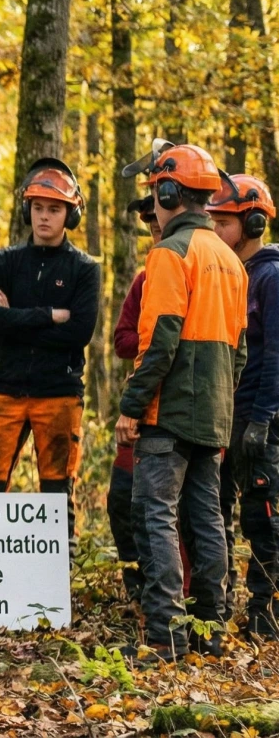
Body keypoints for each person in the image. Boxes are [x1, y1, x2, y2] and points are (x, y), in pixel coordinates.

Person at [116, 142, 246, 661]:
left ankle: (164, 635)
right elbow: (239, 352)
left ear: (169, 191)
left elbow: (160, 339)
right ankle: (210, 630)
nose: (155, 200)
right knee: (206, 519)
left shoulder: (170, 254)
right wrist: (220, 402)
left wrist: (132, 403)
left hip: (168, 412)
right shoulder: (230, 261)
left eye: (156, 192)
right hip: (212, 410)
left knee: (154, 515)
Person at [0, 159, 100, 530]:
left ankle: (59, 569)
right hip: (5, 387)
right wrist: (48, 315)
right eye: (38, 208)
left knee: (57, 489)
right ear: (26, 210)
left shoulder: (84, 268)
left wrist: (13, 317)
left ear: (70, 213)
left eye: (55, 209)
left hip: (59, 391)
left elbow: (79, 333)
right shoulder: (5, 261)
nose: (44, 217)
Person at [205, 172, 279, 641]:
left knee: (263, 515)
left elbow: (275, 354)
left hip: (259, 421)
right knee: (215, 512)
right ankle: (219, 604)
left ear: (252, 222)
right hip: (222, 416)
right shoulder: (229, 273)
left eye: (224, 222)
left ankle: (263, 609)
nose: (215, 230)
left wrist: (262, 419)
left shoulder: (271, 276)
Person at [109, 195, 163, 602]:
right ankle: (137, 589)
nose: (154, 228)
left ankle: (185, 601)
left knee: (177, 513)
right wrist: (155, 338)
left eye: (157, 220)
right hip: (141, 402)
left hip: (179, 410)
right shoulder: (145, 279)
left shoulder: (198, 267)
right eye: (148, 224)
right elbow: (122, 340)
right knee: (121, 498)